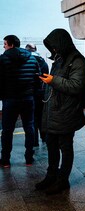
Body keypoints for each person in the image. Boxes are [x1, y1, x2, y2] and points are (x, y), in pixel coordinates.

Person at [34, 29, 85, 195]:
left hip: (67, 112)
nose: (54, 50)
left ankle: (62, 180)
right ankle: (51, 176)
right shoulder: (58, 59)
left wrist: (52, 80)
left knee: (65, 147)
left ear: (62, 43)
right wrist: (48, 81)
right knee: (51, 145)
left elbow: (76, 86)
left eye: (55, 47)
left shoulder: (77, 61)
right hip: (54, 111)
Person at [0, 35, 40, 167]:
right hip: (28, 99)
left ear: (10, 44)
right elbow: (37, 78)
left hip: (10, 99)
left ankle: (5, 160)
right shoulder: (32, 58)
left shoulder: (3, 59)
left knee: (7, 130)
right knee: (29, 127)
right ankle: (29, 158)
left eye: (5, 44)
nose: (4, 46)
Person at [25, 43, 49, 146]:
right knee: (41, 116)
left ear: (27, 50)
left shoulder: (27, 61)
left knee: (32, 118)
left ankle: (34, 142)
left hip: (30, 93)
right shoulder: (43, 62)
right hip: (42, 93)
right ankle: (44, 137)